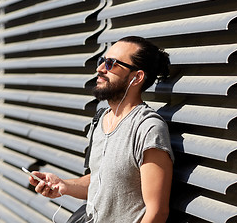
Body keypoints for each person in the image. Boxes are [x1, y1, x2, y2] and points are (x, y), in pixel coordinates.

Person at [29, 36, 174, 223]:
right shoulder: (101, 119)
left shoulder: (148, 128)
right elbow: (100, 180)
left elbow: (157, 213)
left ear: (136, 77)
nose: (99, 69)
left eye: (111, 63)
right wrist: (63, 185)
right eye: (102, 61)